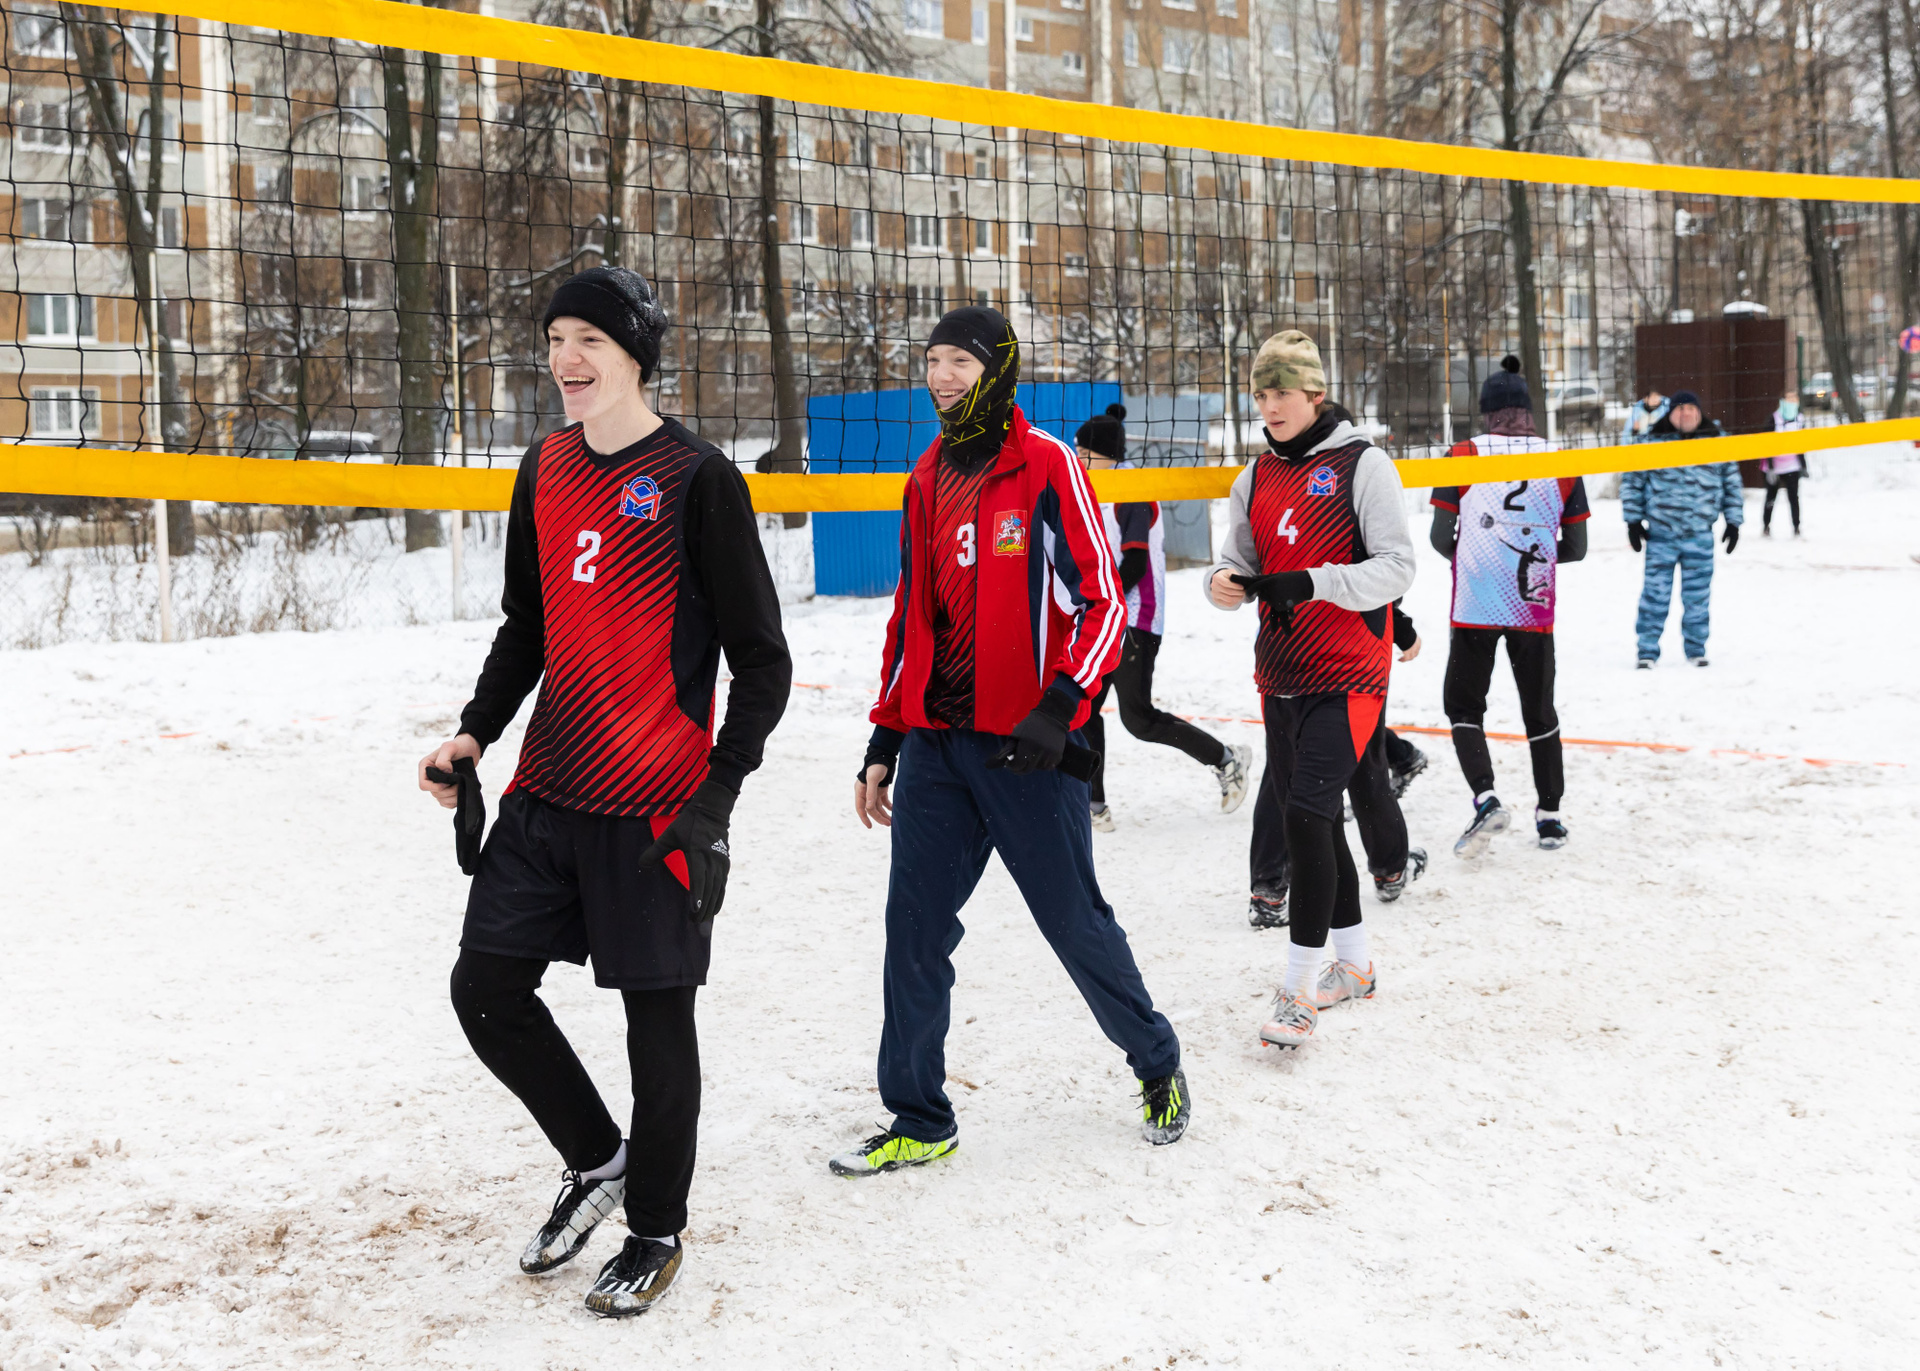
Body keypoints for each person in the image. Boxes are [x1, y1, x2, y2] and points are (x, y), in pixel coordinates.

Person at [418, 267, 792, 1319]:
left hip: (655, 803)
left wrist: (715, 797)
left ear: (635, 353)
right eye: (555, 338)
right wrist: (474, 732)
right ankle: (597, 1159)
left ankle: (656, 1228)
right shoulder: (543, 467)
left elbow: (764, 664)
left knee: (655, 1025)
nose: (565, 359)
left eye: (587, 338)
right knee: (484, 989)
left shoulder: (698, 479)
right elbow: (527, 627)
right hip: (548, 790)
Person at [837, 306, 1190, 1176]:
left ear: (997, 369)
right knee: (913, 932)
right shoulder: (925, 477)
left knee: (1074, 923)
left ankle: (1157, 1062)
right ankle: (920, 1115)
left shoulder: (1047, 465)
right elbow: (910, 620)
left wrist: (1061, 705)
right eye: (932, 360)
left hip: (1027, 747)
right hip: (936, 747)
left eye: (959, 360)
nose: (941, 376)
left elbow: (1104, 602)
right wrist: (885, 735)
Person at [1207, 330, 1416, 1049]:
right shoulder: (1254, 477)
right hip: (1282, 671)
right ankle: (1354, 966)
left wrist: (1315, 582)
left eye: (1282, 393)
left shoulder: (1364, 464)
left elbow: (1397, 567)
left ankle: (1298, 990)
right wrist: (1222, 584)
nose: (1270, 406)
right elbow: (1234, 562)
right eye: (1261, 394)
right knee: (1318, 822)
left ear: (1316, 394)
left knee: (1304, 813)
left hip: (1352, 671)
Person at [1430, 355, 1591, 857]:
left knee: (1463, 705)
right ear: (1529, 410)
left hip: (1476, 600)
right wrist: (1533, 555)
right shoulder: (1560, 460)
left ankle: (1486, 797)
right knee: (1539, 709)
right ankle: (1551, 816)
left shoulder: (1462, 454)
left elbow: (1439, 538)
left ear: (1485, 412)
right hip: (1532, 602)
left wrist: (1481, 558)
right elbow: (1577, 548)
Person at [1072, 402, 1252, 832]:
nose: (1078, 459)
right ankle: (1093, 804)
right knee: (1084, 708)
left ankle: (1226, 759)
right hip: (1105, 616)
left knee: (1138, 718)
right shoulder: (1096, 489)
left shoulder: (1133, 491)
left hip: (1136, 619)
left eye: (1084, 453)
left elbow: (1133, 566)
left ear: (1105, 455)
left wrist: (1098, 600)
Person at [1625, 389, 1743, 667]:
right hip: (1661, 536)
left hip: (1699, 535)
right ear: (1671, 413)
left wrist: (1734, 522)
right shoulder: (1651, 442)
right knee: (1654, 597)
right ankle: (1647, 651)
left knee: (1697, 598)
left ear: (1699, 412)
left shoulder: (1717, 442)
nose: (1686, 413)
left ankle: (1696, 650)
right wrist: (1633, 520)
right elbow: (1633, 482)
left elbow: (1732, 485)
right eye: (1680, 408)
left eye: (1691, 408)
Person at [1763, 392, 1807, 536]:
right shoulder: (1773, 419)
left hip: (1792, 465)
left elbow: (1801, 444)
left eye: (1794, 398)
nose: (1792, 401)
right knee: (1771, 498)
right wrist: (1770, 467)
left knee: (1794, 498)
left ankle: (1796, 527)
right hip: (1774, 467)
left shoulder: (1800, 418)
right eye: (1789, 398)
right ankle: (1766, 526)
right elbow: (1766, 444)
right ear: (1782, 400)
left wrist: (1803, 465)